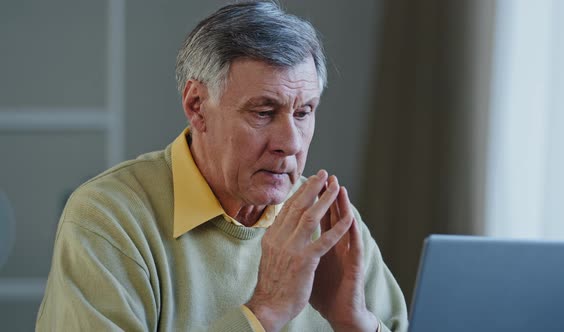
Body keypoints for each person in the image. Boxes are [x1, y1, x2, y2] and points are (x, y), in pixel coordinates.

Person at [36, 1, 408, 331]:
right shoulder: (107, 218)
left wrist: (356, 323)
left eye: (304, 112)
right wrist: (263, 313)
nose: (291, 143)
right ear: (197, 106)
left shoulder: (327, 220)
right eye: (264, 112)